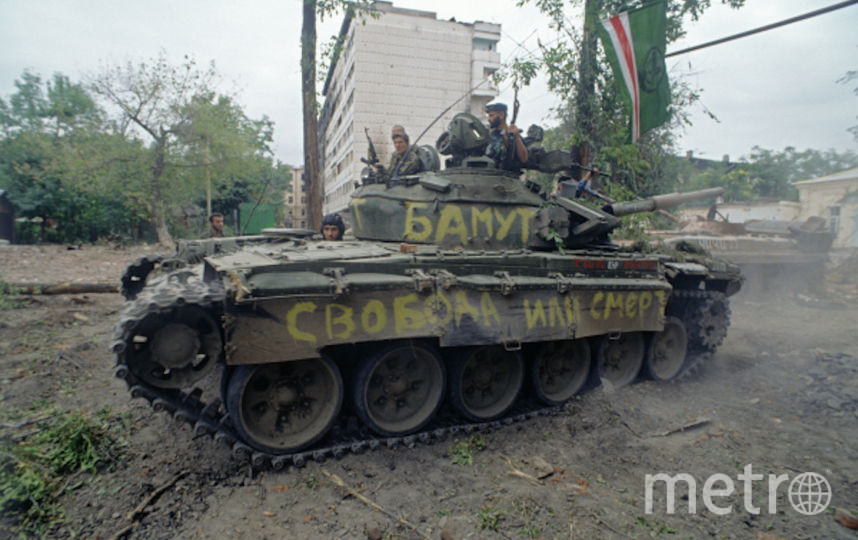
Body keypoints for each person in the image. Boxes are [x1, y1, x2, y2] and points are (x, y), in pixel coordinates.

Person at [484, 102, 528, 173]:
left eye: (491, 115)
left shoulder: (513, 135)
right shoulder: (489, 136)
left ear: (501, 115)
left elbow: (524, 158)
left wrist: (516, 137)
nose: (489, 119)